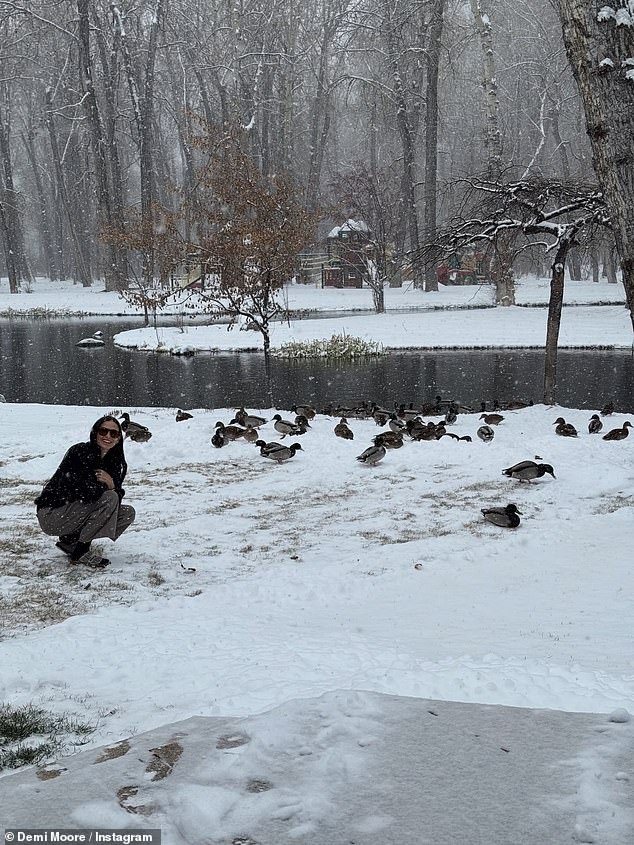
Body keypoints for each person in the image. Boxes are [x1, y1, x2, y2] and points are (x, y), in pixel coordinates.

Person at [35, 415, 135, 568]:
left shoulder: (114, 462)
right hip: (53, 514)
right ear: (95, 433)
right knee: (109, 497)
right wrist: (108, 489)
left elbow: (114, 500)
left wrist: (112, 484)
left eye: (113, 433)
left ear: (118, 438)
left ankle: (70, 541)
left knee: (127, 513)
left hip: (74, 513)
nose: (108, 436)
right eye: (103, 431)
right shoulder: (80, 452)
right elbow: (83, 492)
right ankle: (80, 551)